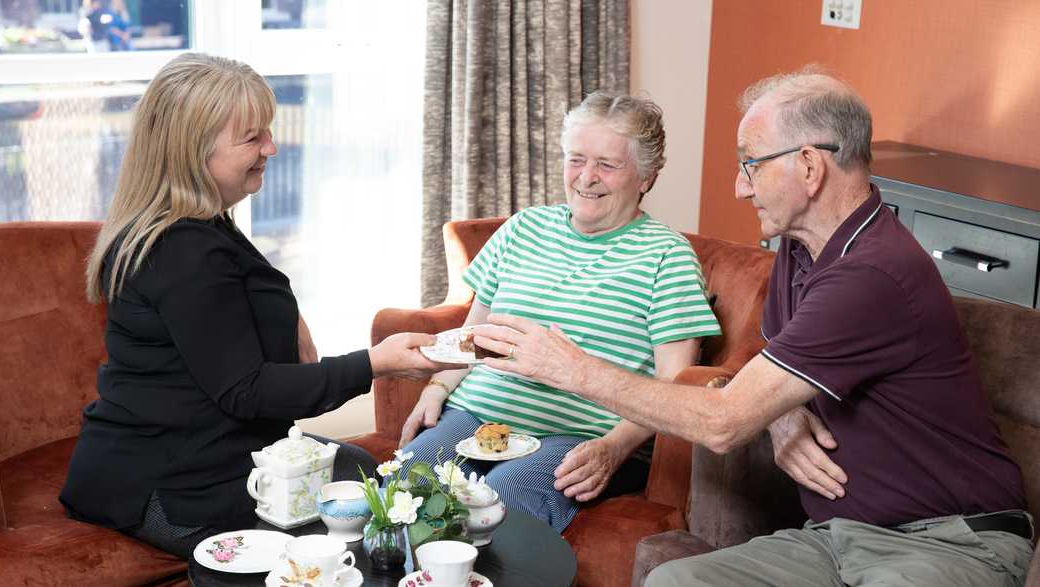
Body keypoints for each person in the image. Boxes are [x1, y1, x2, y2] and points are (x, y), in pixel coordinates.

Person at [472, 70, 1034, 586]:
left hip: (949, 544)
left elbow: (722, 424)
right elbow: (769, 367)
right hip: (839, 536)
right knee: (675, 581)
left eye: (751, 163)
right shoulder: (800, 248)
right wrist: (782, 416)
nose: (741, 187)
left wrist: (570, 368)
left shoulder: (874, 274)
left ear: (810, 166)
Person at [59, 53, 452, 559]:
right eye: (252, 138)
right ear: (191, 150)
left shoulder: (198, 224)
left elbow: (230, 336)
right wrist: (378, 363)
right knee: (372, 523)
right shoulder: (183, 249)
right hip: (169, 482)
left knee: (363, 473)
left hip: (205, 452)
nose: (271, 146)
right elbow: (246, 390)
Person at [395, 91, 721, 533]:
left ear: (646, 177)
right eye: (576, 159)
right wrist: (436, 388)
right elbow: (474, 336)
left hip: (579, 436)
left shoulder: (667, 257)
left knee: (502, 502)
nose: (587, 177)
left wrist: (614, 447)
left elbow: (674, 387)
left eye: (607, 164)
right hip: (478, 414)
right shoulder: (524, 228)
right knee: (407, 480)